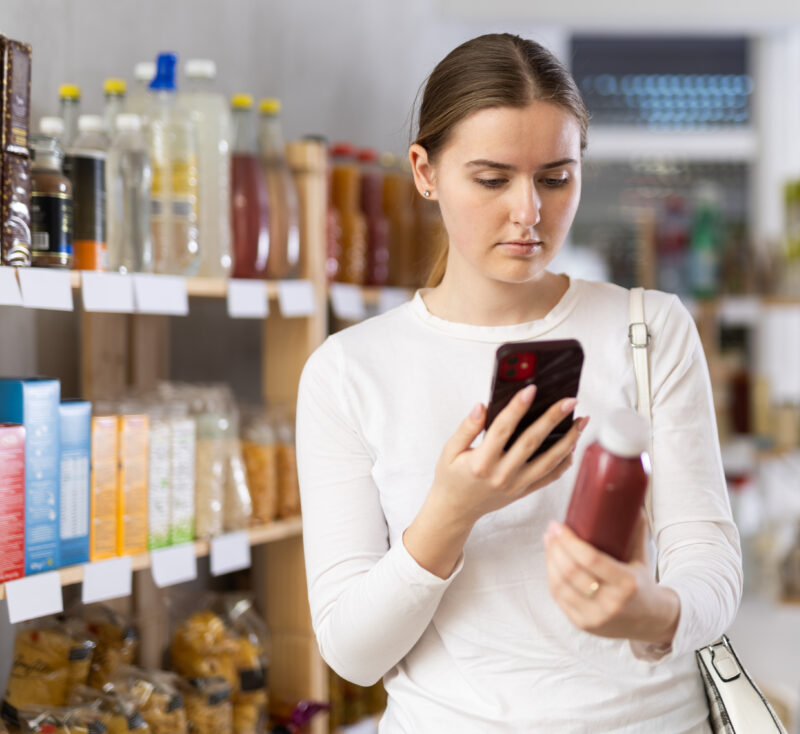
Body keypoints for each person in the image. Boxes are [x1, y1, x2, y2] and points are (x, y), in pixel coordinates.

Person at [296, 33, 742, 732]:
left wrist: (648, 612)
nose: (528, 211)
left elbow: (710, 565)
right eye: (493, 178)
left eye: (556, 177)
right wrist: (452, 509)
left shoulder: (649, 329)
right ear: (425, 171)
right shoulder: (349, 371)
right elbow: (353, 653)